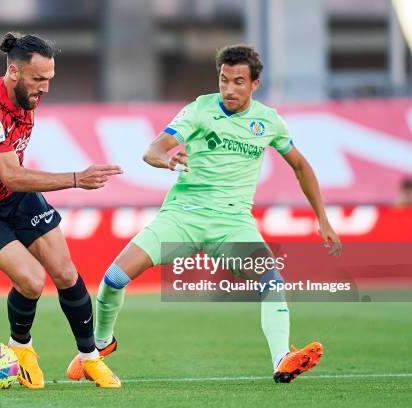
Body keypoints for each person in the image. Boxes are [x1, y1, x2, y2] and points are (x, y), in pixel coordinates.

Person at [67, 44, 342, 384]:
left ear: (255, 84)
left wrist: (323, 219)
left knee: (271, 282)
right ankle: (101, 344)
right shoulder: (199, 109)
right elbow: (152, 149)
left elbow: (300, 166)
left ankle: (282, 359)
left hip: (232, 223)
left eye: (238, 81)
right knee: (114, 279)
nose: (229, 89)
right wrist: (167, 159)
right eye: (224, 80)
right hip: (183, 216)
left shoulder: (269, 121)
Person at [0, 32, 122, 388]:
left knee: (66, 273)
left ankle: (89, 358)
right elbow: (11, 175)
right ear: (14, 72)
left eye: (49, 79)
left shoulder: (26, 99)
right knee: (30, 279)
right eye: (38, 79)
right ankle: (21, 349)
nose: (46, 88)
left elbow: (12, 178)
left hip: (13, 197)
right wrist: (76, 178)